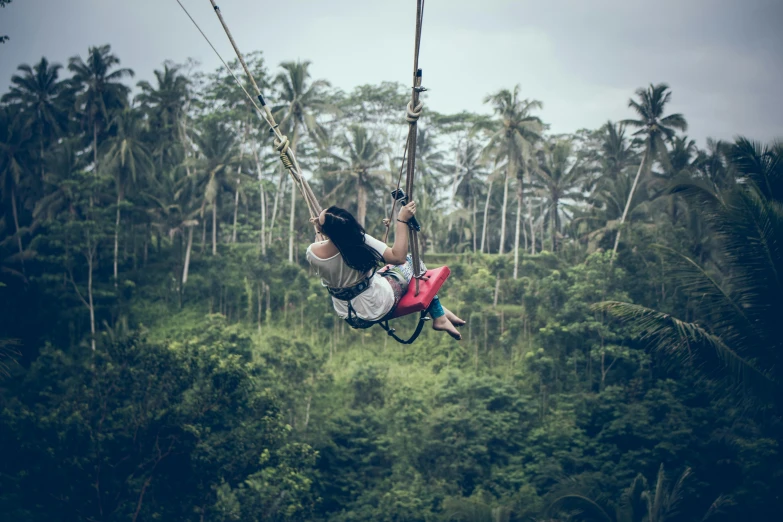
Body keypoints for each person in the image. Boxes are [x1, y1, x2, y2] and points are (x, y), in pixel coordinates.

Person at [306, 202, 464, 340]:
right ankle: (439, 315)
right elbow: (398, 257)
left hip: (350, 315)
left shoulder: (312, 253)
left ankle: (440, 312)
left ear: (324, 232)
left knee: (385, 273)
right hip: (376, 307)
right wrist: (401, 220)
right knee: (411, 262)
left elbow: (324, 244)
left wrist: (321, 229)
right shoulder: (360, 240)